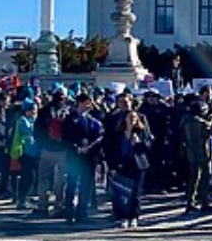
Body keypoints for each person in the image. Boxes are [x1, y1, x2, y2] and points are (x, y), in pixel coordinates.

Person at [62, 92, 104, 224]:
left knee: (85, 186)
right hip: (74, 157)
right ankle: (69, 214)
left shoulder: (92, 120)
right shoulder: (70, 118)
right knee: (72, 185)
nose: (89, 106)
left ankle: (82, 213)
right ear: (79, 103)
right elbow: (66, 136)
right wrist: (77, 147)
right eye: (86, 103)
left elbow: (97, 136)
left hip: (88, 158)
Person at [109, 110, 151, 229]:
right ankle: (123, 217)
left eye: (135, 118)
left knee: (135, 193)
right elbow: (112, 149)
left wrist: (138, 143)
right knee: (122, 193)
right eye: (130, 118)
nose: (132, 120)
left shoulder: (141, 132)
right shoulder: (119, 133)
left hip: (137, 165)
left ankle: (134, 216)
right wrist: (113, 165)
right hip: (123, 165)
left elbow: (148, 147)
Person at [10, 98, 39, 210]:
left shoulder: (31, 119)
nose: (34, 112)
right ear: (26, 110)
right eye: (32, 110)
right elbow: (29, 130)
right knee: (27, 177)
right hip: (24, 152)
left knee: (30, 177)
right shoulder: (22, 120)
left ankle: (23, 198)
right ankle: (21, 200)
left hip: (32, 152)